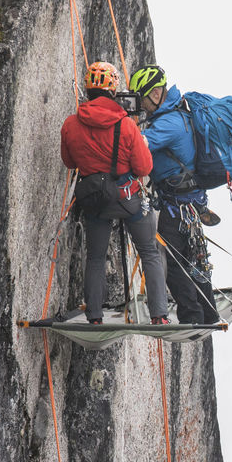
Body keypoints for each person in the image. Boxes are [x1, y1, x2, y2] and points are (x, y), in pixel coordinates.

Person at [60, 61, 169, 325]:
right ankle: (159, 315)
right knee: (149, 252)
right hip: (127, 198)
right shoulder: (126, 125)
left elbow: (69, 162)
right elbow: (144, 166)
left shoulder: (71, 124)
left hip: (95, 200)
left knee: (95, 257)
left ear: (87, 89)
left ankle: (94, 316)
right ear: (113, 90)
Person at [128, 64, 221, 325]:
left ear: (156, 94)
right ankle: (209, 313)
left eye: (144, 98)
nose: (143, 106)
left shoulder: (168, 123)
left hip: (177, 207)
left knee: (172, 263)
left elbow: (139, 145)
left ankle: (192, 317)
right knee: (194, 259)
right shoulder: (178, 114)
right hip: (190, 204)